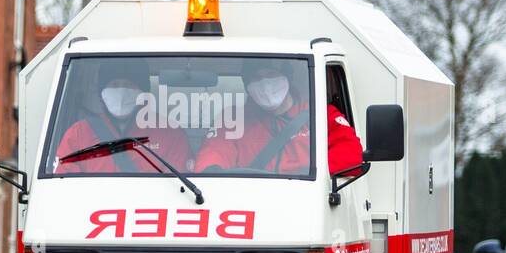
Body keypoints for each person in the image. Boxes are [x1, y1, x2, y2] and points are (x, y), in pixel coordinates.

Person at [194, 60, 364, 175]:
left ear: (287, 78)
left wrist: (311, 174)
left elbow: (350, 154)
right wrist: (211, 173)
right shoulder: (234, 118)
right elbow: (214, 152)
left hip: (306, 200)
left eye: (271, 75)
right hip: (250, 202)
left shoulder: (322, 114)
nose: (265, 84)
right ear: (248, 86)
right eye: (256, 78)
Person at [53, 58, 189, 174]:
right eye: (114, 85)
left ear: (143, 92)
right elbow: (64, 184)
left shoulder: (170, 133)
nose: (121, 92)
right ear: (102, 92)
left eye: (129, 85)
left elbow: (176, 188)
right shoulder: (79, 134)